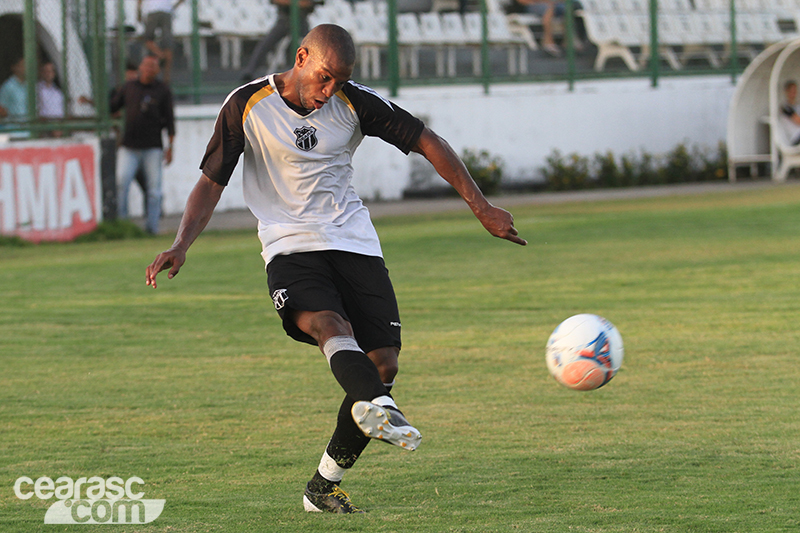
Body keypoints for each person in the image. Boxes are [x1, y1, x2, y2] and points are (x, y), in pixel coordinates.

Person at [145, 24, 526, 514]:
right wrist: (181, 244)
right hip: (289, 245)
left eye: (339, 82)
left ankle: (322, 488)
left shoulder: (353, 102)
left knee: (382, 365)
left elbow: (428, 140)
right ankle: (383, 409)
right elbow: (211, 182)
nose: (330, 91)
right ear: (301, 56)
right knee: (330, 325)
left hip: (353, 241)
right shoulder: (246, 104)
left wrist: (482, 208)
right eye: (324, 77)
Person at [110, 55, 175, 235]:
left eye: (152, 67)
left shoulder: (162, 90)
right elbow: (113, 106)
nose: (148, 70)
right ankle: (123, 225)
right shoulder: (129, 87)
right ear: (140, 67)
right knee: (122, 182)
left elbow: (170, 120)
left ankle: (151, 227)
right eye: (145, 66)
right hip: (128, 146)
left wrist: (170, 146)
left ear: (157, 70)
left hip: (153, 147)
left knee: (154, 189)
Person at [239, 0, 317, 81]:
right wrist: (295, 3)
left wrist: (302, 4)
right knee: (266, 44)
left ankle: (316, 72)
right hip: (284, 20)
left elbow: (309, 4)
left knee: (312, 46)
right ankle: (250, 71)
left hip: (301, 21)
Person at [512, 0, 586, 57]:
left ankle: (568, 40)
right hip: (532, 6)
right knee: (549, 9)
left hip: (552, 5)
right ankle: (548, 42)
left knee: (567, 8)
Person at [138, 0, 185, 84]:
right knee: (168, 45)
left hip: (153, 10)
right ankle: (166, 77)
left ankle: (160, 54)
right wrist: (173, 7)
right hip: (166, 11)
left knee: (147, 39)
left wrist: (138, 11)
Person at [0, 57, 28, 122]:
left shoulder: (28, 86)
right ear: (15, 67)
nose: (25, 68)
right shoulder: (8, 86)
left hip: (28, 128)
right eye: (22, 65)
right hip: (14, 129)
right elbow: (1, 108)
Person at [780, 80, 800, 146]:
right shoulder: (785, 108)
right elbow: (798, 121)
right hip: (795, 137)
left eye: (795, 91)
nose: (794, 93)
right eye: (791, 91)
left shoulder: (797, 106)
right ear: (787, 92)